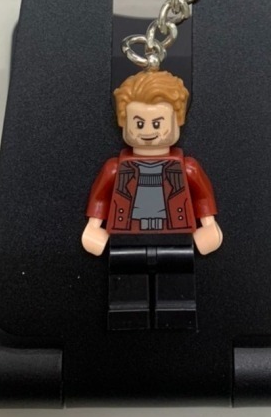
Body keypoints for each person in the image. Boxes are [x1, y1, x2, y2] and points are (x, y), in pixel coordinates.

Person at [82, 69, 221, 330]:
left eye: (157, 124)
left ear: (177, 120)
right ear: (123, 122)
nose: (147, 132)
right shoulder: (115, 168)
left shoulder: (187, 168)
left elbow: (202, 195)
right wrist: (92, 228)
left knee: (176, 277)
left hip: (175, 236)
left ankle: (176, 317)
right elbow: (101, 197)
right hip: (126, 237)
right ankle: (127, 317)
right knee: (126, 277)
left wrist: (210, 225)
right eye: (139, 123)